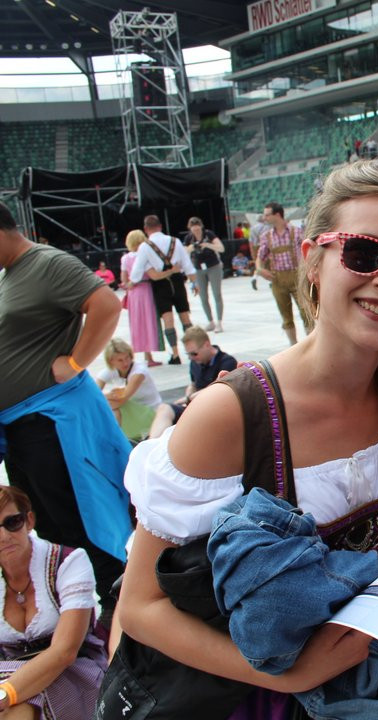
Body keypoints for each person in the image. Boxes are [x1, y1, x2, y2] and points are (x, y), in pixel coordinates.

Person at [117, 160, 378, 718]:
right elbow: (139, 608)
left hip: (354, 688)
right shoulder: (230, 415)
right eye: (365, 253)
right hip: (235, 696)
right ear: (313, 260)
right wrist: (289, 674)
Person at [0, 202, 130, 626]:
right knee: (52, 528)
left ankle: (121, 619)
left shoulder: (45, 263)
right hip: (24, 427)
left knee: (81, 520)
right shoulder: (13, 275)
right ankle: (85, 619)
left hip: (51, 423)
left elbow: (107, 306)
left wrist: (74, 362)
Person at [0, 485, 108, 720]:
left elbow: (65, 651)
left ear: (29, 521)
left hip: (74, 671)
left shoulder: (69, 562)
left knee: (16, 710)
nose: (4, 536)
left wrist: (5, 694)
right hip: (8, 673)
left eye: (12, 522)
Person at [130, 214, 198, 365]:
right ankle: (193, 351)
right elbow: (187, 265)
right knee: (185, 317)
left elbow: (136, 273)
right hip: (178, 282)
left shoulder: (145, 246)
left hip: (160, 285)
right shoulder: (175, 241)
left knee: (168, 320)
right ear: (160, 226)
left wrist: (133, 282)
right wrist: (195, 283)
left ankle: (175, 354)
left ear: (146, 229)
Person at [148, 325, 238, 438]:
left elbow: (217, 390)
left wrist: (188, 398)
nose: (191, 358)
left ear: (207, 345)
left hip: (213, 410)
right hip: (195, 407)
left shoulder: (227, 362)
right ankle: (151, 444)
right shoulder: (196, 362)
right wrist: (189, 393)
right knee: (164, 408)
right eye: (188, 354)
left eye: (194, 353)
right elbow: (194, 384)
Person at [256, 202, 312, 346]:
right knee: (286, 317)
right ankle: (293, 345)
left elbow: (309, 251)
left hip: (297, 277)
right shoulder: (266, 236)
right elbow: (260, 257)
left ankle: (311, 344)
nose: (265, 218)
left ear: (277, 214)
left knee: (306, 313)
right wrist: (260, 269)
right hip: (278, 279)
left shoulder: (296, 231)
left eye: (267, 215)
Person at [95, 337, 163, 442]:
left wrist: (103, 399)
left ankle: (114, 440)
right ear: (111, 361)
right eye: (120, 360)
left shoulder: (139, 372)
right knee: (106, 404)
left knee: (113, 406)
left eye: (127, 358)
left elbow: (122, 399)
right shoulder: (111, 371)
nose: (125, 363)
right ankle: (114, 438)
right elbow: (94, 393)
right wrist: (106, 396)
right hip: (133, 413)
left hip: (151, 412)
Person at [120, 230, 162, 367]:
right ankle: (149, 356)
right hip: (146, 290)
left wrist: (129, 285)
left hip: (133, 293)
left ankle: (143, 353)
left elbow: (124, 278)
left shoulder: (125, 258)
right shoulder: (144, 256)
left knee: (137, 323)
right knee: (149, 321)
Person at [183, 217, 226, 332]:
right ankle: (210, 321)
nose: (196, 230)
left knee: (217, 294)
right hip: (198, 268)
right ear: (190, 228)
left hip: (213, 266)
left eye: (198, 228)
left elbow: (221, 248)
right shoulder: (188, 238)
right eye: (193, 228)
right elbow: (183, 253)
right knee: (203, 296)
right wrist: (190, 248)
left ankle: (219, 322)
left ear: (201, 226)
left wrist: (207, 245)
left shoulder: (209, 234)